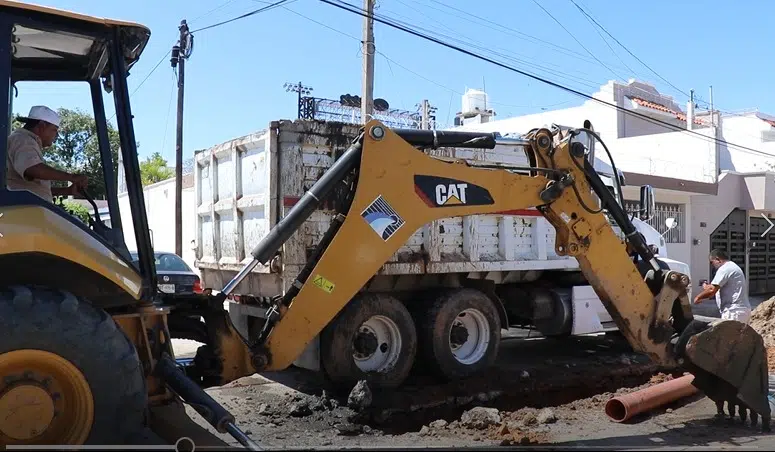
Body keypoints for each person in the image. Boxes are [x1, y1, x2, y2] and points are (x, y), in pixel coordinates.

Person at [6, 105, 88, 202]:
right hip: (25, 211)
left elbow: (34, 190)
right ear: (42, 126)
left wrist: (67, 191)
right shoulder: (22, 139)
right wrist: (71, 177)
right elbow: (33, 169)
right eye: (54, 130)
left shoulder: (25, 142)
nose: (56, 135)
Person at [693, 248, 752, 324]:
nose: (712, 265)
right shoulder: (732, 266)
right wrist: (705, 285)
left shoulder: (724, 269)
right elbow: (713, 287)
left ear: (718, 259)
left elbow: (711, 290)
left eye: (712, 262)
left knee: (729, 335)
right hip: (741, 311)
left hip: (733, 312)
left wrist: (698, 297)